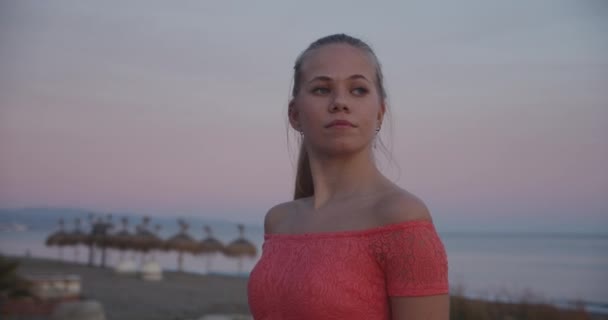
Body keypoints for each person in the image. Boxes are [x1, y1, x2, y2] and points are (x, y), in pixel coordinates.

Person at [247, 33, 449, 320]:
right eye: (320, 89)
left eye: (358, 90)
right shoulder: (279, 220)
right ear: (294, 114)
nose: (340, 102)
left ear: (380, 113)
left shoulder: (401, 218)